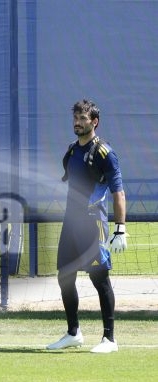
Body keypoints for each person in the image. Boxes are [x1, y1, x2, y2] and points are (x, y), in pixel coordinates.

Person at [47, 99, 127, 353]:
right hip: (70, 223)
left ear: (95, 122)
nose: (78, 123)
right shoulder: (72, 150)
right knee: (64, 277)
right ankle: (73, 333)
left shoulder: (105, 153)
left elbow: (118, 192)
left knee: (99, 278)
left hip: (93, 224)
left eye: (83, 119)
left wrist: (120, 229)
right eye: (76, 118)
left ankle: (109, 339)